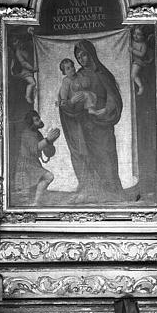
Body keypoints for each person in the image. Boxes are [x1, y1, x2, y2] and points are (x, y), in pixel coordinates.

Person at [58, 39, 124, 203]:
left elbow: (113, 97)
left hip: (102, 122)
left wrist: (105, 110)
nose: (81, 59)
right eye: (78, 57)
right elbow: (68, 97)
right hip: (85, 123)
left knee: (106, 154)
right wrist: (69, 103)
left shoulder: (102, 73)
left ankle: (112, 192)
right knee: (88, 156)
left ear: (91, 54)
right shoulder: (77, 75)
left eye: (84, 55)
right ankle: (93, 191)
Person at [13, 110, 60, 206]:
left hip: (33, 163)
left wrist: (50, 142)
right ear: (31, 123)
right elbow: (35, 149)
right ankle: (35, 203)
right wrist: (47, 140)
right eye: (36, 120)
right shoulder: (27, 133)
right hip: (26, 165)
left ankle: (35, 202)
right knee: (48, 177)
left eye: (39, 119)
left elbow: (47, 152)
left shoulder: (37, 133)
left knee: (35, 186)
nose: (39, 122)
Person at [10, 38, 37, 104]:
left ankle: (34, 97)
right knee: (33, 83)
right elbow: (23, 63)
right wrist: (32, 69)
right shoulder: (18, 52)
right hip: (24, 71)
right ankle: (27, 97)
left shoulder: (26, 48)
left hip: (30, 69)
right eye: (18, 43)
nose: (21, 44)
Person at [130, 26, 150, 95]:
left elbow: (142, 54)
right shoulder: (131, 41)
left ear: (143, 36)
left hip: (138, 62)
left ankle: (141, 86)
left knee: (133, 75)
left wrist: (132, 50)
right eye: (134, 33)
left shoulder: (143, 44)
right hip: (131, 61)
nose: (135, 36)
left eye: (138, 34)